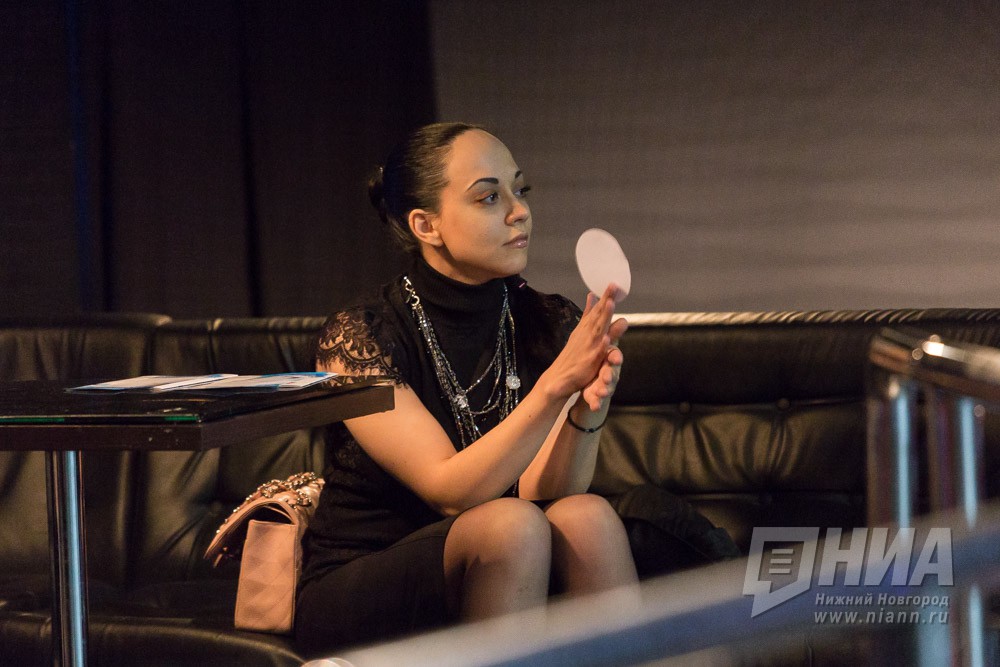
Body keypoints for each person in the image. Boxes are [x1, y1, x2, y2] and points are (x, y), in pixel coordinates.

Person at [295, 122, 638, 655]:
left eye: (520, 190)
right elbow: (449, 492)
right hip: (367, 573)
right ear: (426, 225)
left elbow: (547, 491)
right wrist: (555, 387)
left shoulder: (547, 320)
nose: (519, 211)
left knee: (585, 517)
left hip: (507, 552)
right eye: (489, 197)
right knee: (510, 527)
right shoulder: (360, 335)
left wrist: (586, 408)